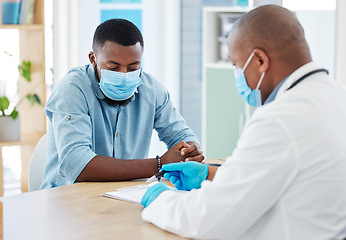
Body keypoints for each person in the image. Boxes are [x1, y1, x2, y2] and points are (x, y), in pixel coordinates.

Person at [141, 5, 346, 240]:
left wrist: (158, 198)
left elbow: (205, 221)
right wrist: (209, 174)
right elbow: (288, 173)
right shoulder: (338, 96)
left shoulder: (281, 119)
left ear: (260, 60)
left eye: (237, 65)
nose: (238, 76)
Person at [40, 19, 204, 189]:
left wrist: (189, 151)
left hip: (123, 196)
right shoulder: (72, 89)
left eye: (133, 68)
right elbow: (77, 163)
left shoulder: (152, 90)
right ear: (93, 59)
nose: (124, 75)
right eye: (113, 68)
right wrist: (159, 163)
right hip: (67, 200)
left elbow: (182, 136)